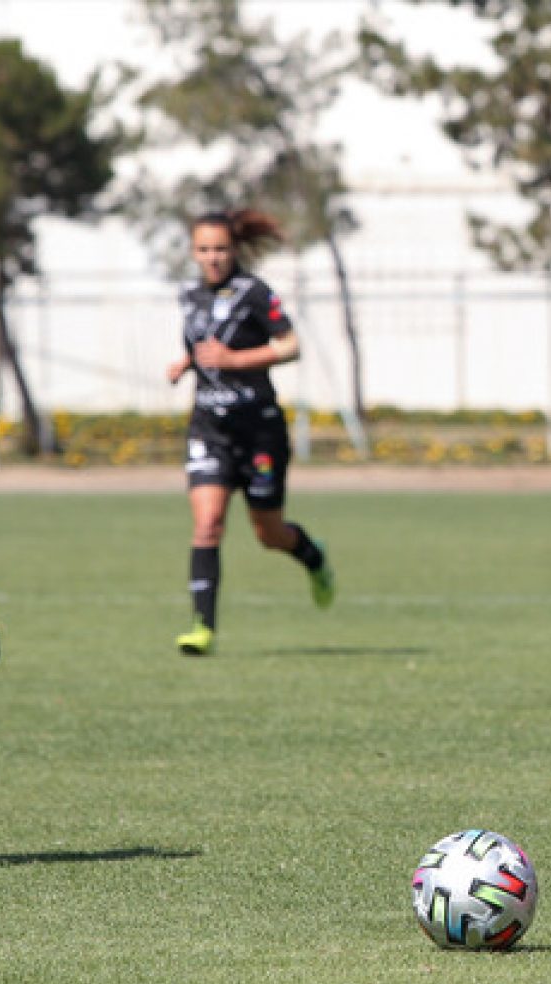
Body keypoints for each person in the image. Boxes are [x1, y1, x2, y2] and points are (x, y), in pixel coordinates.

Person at [168, 209, 335, 656]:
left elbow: (290, 346)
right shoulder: (189, 296)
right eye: (204, 249)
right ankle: (202, 627)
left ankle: (312, 556)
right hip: (209, 428)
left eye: (220, 249)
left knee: (268, 532)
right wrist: (186, 364)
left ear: (234, 249)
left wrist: (235, 361)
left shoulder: (256, 293)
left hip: (259, 431)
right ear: (193, 251)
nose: (213, 257)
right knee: (207, 525)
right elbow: (201, 346)